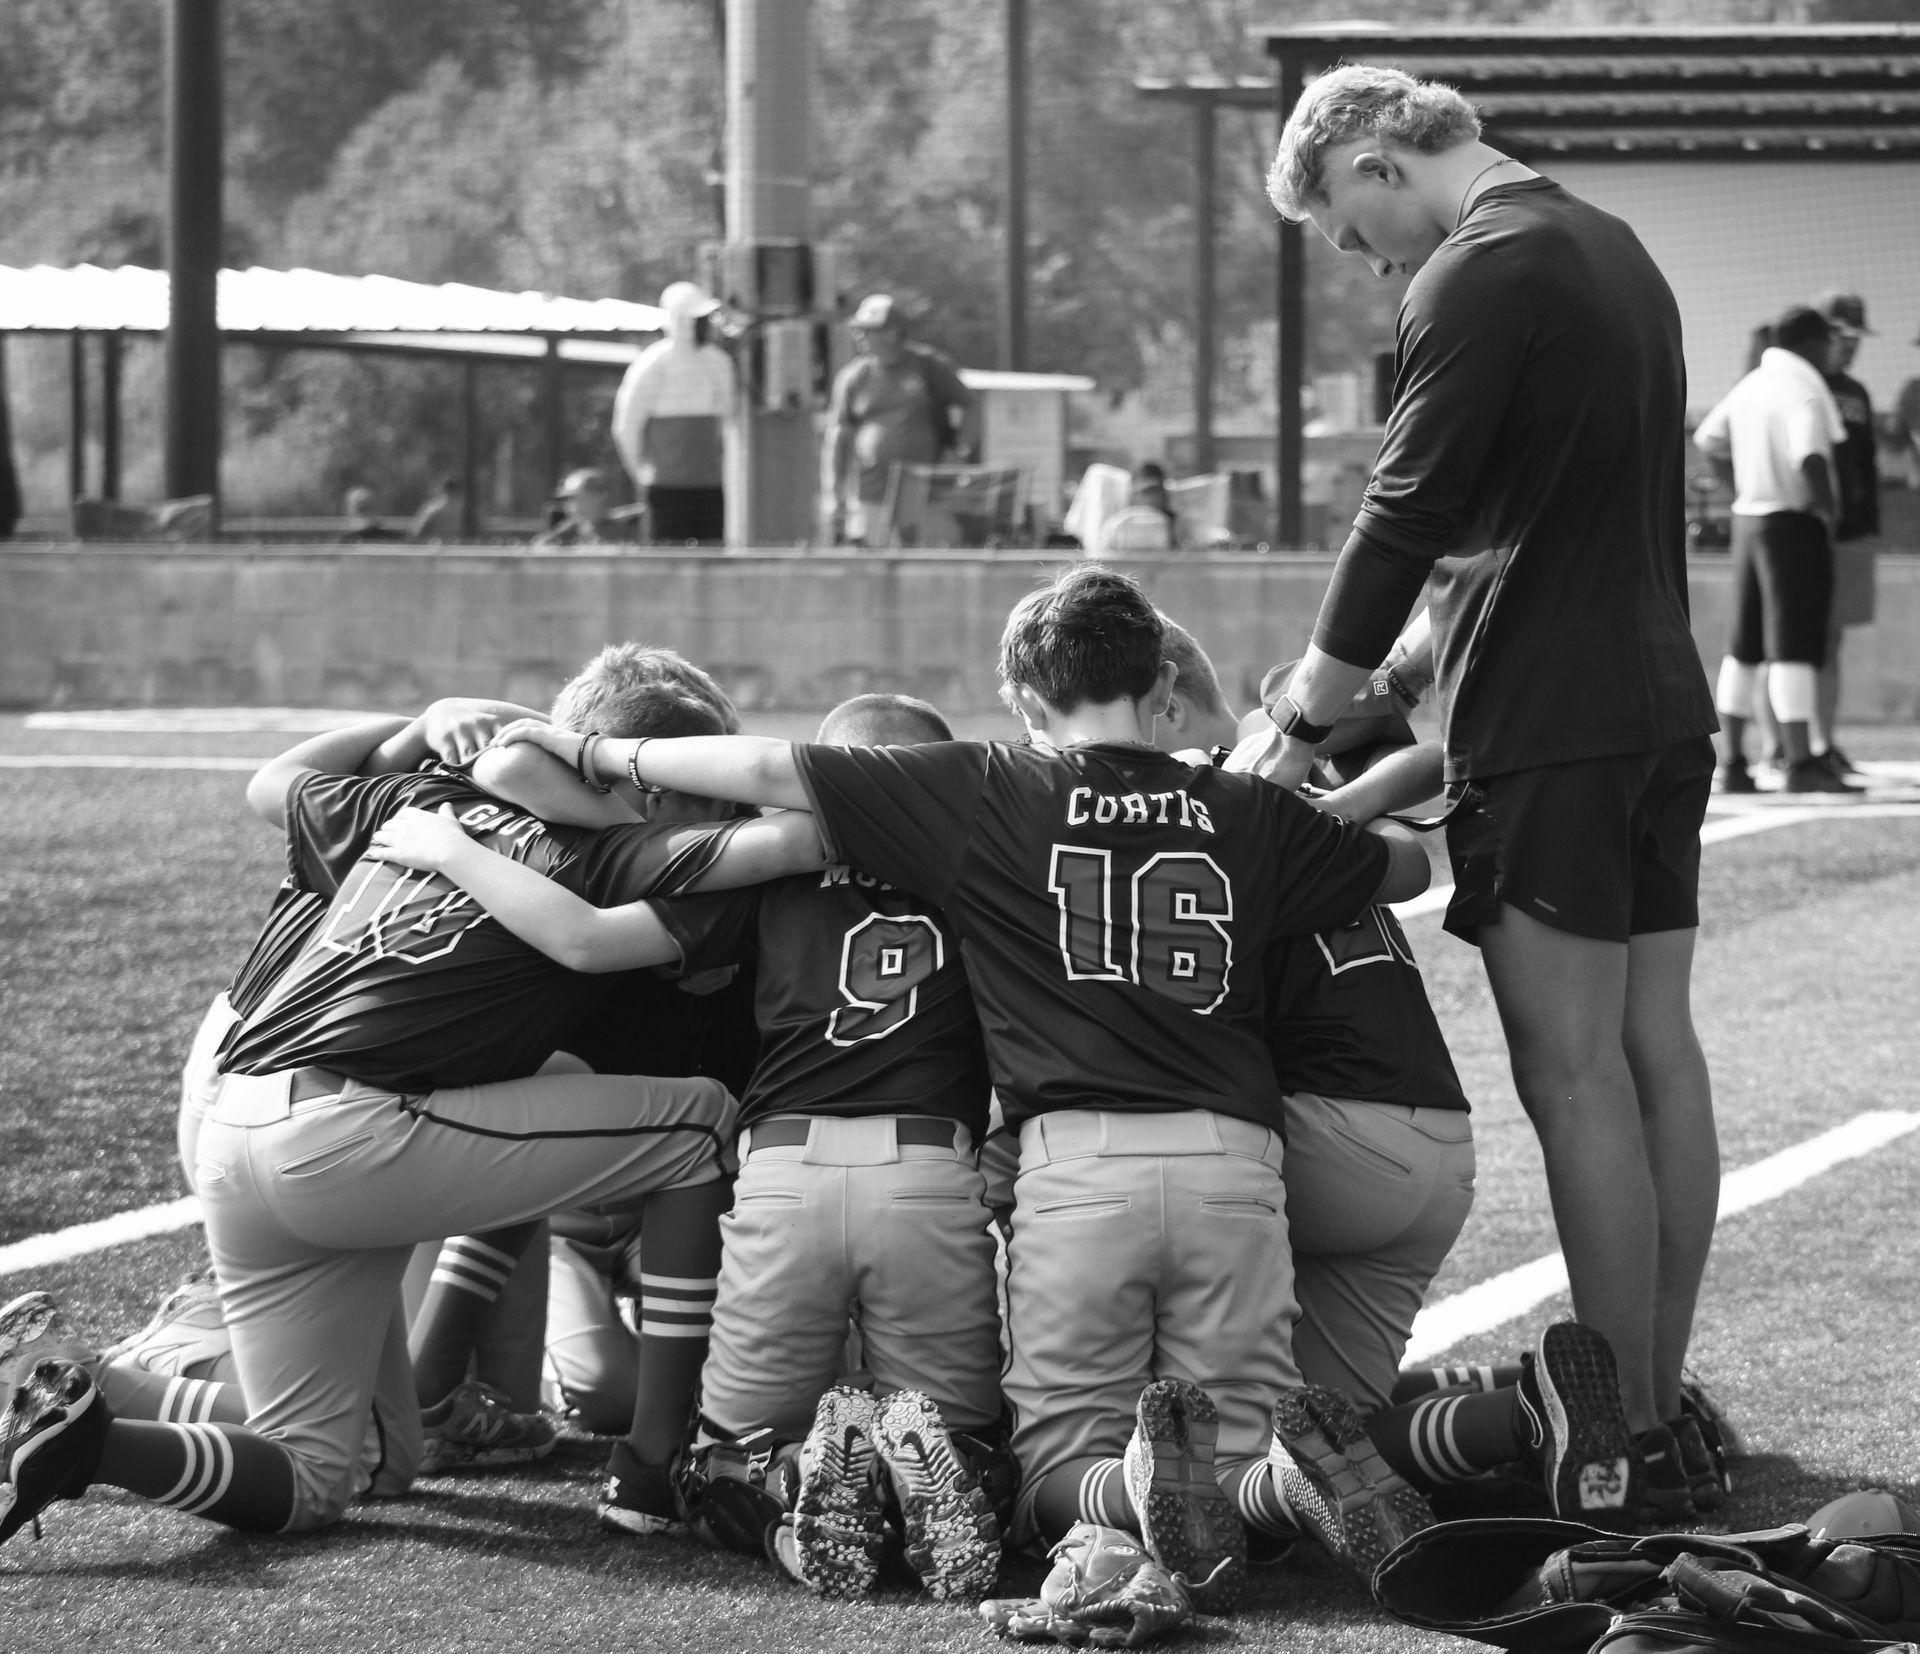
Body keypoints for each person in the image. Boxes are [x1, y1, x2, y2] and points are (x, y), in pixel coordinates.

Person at [489, 564, 1437, 1612]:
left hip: (1039, 1169)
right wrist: (1313, 796)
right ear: (1155, 677)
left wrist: (600, 751)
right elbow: (1402, 867)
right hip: (1228, 1163)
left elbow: (761, 768)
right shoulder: (1244, 807)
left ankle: (1085, 1487)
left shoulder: (990, 789)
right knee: (1223, 1466)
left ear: (1028, 702)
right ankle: (1305, 1477)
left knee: (1026, 1472)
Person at [0, 703, 829, 1551]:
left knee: (360, 1460)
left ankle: (79, 1416)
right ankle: (655, 1464)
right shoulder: (626, 851)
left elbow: (272, 784)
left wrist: (431, 722)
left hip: (235, 1112)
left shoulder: (423, 794)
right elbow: (803, 836)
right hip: (346, 1135)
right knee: (697, 1127)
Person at [1241, 64, 1720, 1528]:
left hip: (1554, 721)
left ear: (1381, 160)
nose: (1358, 257)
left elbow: (1411, 507)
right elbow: (1534, 524)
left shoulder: (1470, 271)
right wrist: (1393, 675)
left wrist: (1313, 704)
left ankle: (1621, 1427)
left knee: (1573, 1074)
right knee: (1655, 1052)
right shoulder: (1614, 248)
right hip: (1655, 699)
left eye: (1343, 225)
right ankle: (1657, 1403)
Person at [373, 692, 1009, 1601]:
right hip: (932, 1176)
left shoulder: (768, 871)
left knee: (719, 1467)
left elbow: (585, 941)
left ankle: (793, 1495)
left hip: (782, 1179)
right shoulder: (995, 872)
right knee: (970, 1448)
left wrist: (453, 850)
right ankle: (917, 1485)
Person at [1698, 305, 1858, 796]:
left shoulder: (1752, 383)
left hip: (1749, 522)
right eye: (1830, 340)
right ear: (1810, 342)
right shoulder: (1804, 387)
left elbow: (1708, 438)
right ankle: (1801, 762)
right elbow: (1809, 453)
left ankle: (1733, 765)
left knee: (1743, 646)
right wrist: (1827, 510)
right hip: (1792, 525)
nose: (1836, 348)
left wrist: (1738, 486)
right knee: (1794, 646)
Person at [823, 294, 976, 547]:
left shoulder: (928, 366)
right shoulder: (854, 377)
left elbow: (970, 406)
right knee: (875, 563)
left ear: (893, 333)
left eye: (867, 330)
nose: (859, 336)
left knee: (922, 561)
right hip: (870, 492)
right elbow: (838, 436)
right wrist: (834, 493)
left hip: (924, 491)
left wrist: (959, 452)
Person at [612, 281, 734, 545]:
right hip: (666, 491)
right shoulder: (652, 364)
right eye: (697, 318)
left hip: (711, 489)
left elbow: (729, 424)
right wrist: (645, 476)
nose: (704, 324)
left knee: (711, 561)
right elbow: (627, 427)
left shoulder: (719, 363)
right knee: (666, 561)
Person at [532, 468, 619, 550]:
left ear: (599, 496)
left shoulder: (626, 530)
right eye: (568, 499)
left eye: (576, 498)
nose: (569, 505)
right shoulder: (568, 532)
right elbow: (538, 548)